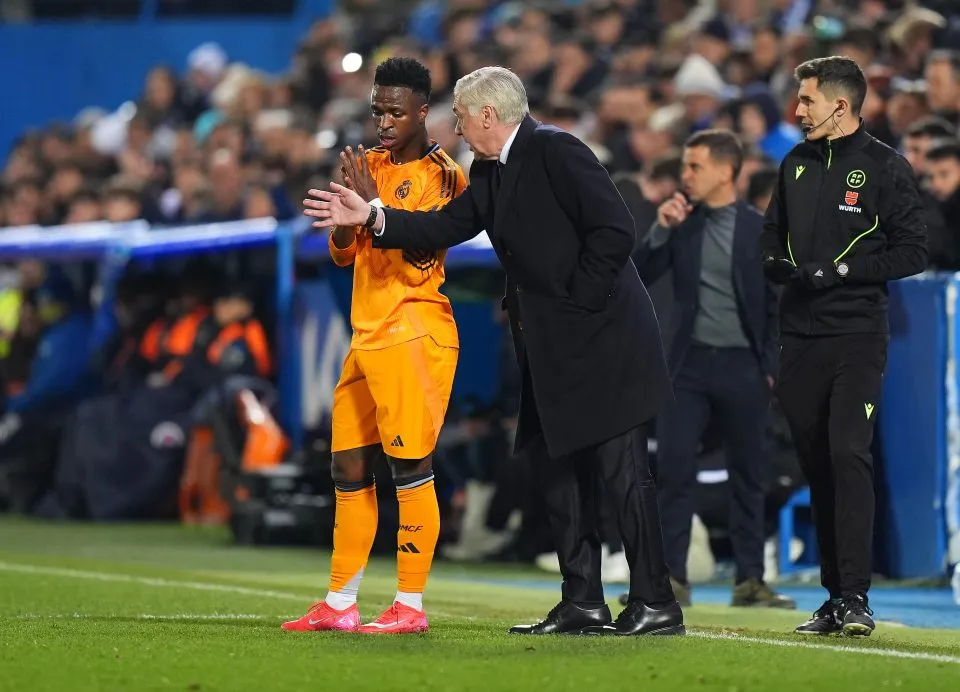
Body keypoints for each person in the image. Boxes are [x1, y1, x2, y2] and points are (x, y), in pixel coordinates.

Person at [304, 66, 684, 637]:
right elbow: (445, 226)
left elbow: (615, 232)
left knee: (623, 475)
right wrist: (373, 216)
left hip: (604, 340)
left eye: (458, 115)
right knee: (559, 473)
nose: (452, 126)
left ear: (487, 114)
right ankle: (582, 600)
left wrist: (575, 305)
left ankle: (655, 602)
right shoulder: (489, 169)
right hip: (551, 344)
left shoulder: (557, 150)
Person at [282, 57, 467, 635]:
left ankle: (409, 605)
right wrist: (344, 218)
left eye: (396, 110)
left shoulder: (444, 176)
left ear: (422, 111)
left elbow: (421, 250)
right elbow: (345, 252)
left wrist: (376, 209)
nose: (384, 121)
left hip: (414, 329)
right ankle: (340, 603)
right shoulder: (369, 167)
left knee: (410, 467)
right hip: (366, 334)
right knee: (348, 467)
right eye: (377, 109)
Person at [760, 56, 928, 637]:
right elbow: (769, 236)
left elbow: (913, 251)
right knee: (818, 466)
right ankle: (834, 599)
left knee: (847, 455)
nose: (796, 110)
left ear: (839, 104)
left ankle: (856, 596)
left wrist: (843, 271)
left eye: (805, 100)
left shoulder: (885, 167)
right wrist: (775, 265)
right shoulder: (795, 163)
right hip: (798, 338)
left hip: (856, 335)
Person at [632, 129, 794, 610]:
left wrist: (770, 366)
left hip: (744, 366)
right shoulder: (679, 222)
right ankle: (671, 578)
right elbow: (639, 273)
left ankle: (750, 580)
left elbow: (774, 305)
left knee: (750, 474)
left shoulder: (759, 228)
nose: (685, 176)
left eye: (694, 167)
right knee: (675, 470)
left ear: (727, 171)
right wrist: (660, 228)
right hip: (688, 366)